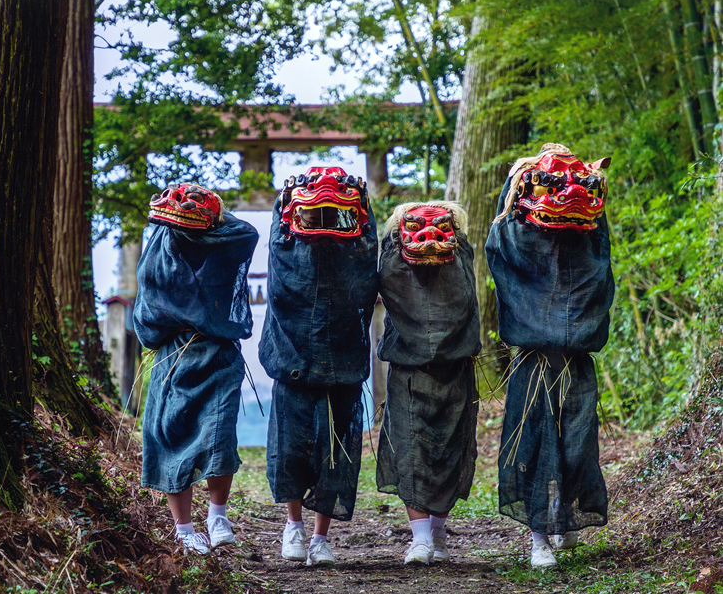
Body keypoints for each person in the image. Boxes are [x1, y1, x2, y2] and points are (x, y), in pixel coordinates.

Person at [485, 143, 615, 568]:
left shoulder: (586, 239)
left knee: (577, 445)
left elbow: (600, 262)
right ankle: (539, 537)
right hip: (534, 360)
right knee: (533, 447)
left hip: (575, 360)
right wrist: (516, 185)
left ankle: (566, 517)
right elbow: (500, 240)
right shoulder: (519, 234)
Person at [259, 166, 379, 567]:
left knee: (336, 455)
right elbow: (279, 234)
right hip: (293, 366)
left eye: (332, 213)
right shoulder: (286, 254)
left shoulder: (356, 259)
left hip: (341, 367)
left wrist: (364, 203)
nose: (322, 219)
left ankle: (320, 537)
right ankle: (293, 524)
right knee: (289, 451)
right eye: (313, 213)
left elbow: (369, 242)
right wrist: (285, 200)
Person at [134, 183, 259, 554]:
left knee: (219, 435)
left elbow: (246, 232)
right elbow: (149, 316)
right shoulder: (161, 244)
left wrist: (213, 209)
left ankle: (217, 517)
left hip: (218, 352)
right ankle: (184, 528)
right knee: (170, 436)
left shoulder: (227, 242)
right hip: (174, 354)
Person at [375, 201, 481, 565]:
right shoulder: (392, 262)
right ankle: (420, 538)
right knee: (410, 451)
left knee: (450, 451)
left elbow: (463, 301)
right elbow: (392, 280)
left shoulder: (461, 258)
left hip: (455, 370)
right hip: (409, 372)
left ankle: (437, 533)